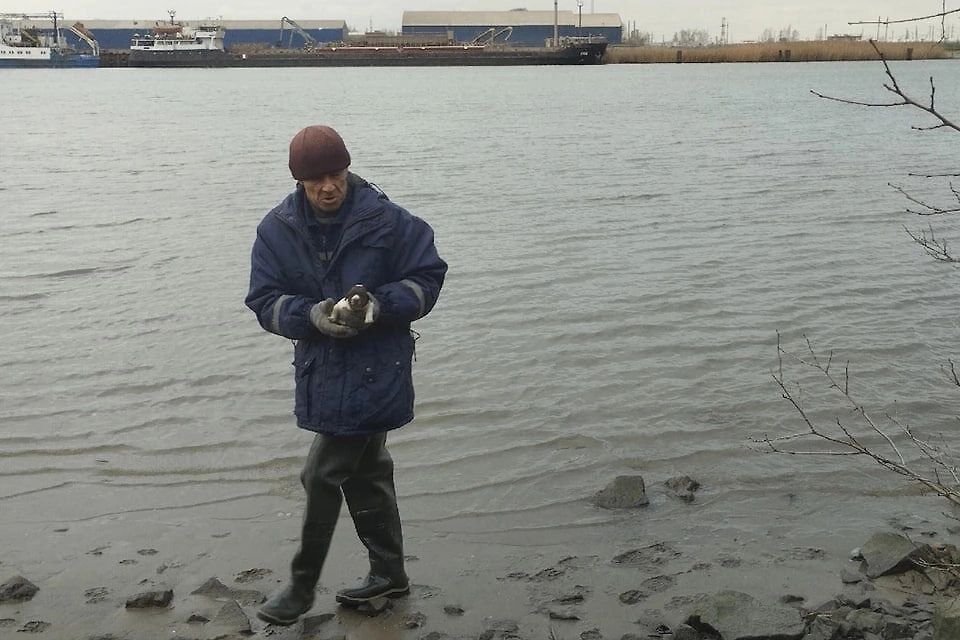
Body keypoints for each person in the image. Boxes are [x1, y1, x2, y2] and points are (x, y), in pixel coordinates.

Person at [245, 125, 447, 626]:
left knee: (320, 474)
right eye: (316, 180)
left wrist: (378, 306)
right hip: (322, 372)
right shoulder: (276, 230)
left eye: (335, 174)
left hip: (379, 370)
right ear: (299, 181)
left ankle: (300, 587)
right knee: (366, 472)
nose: (328, 187)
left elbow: (427, 277)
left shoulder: (390, 221)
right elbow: (264, 301)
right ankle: (390, 574)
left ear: (347, 168)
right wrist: (310, 316)